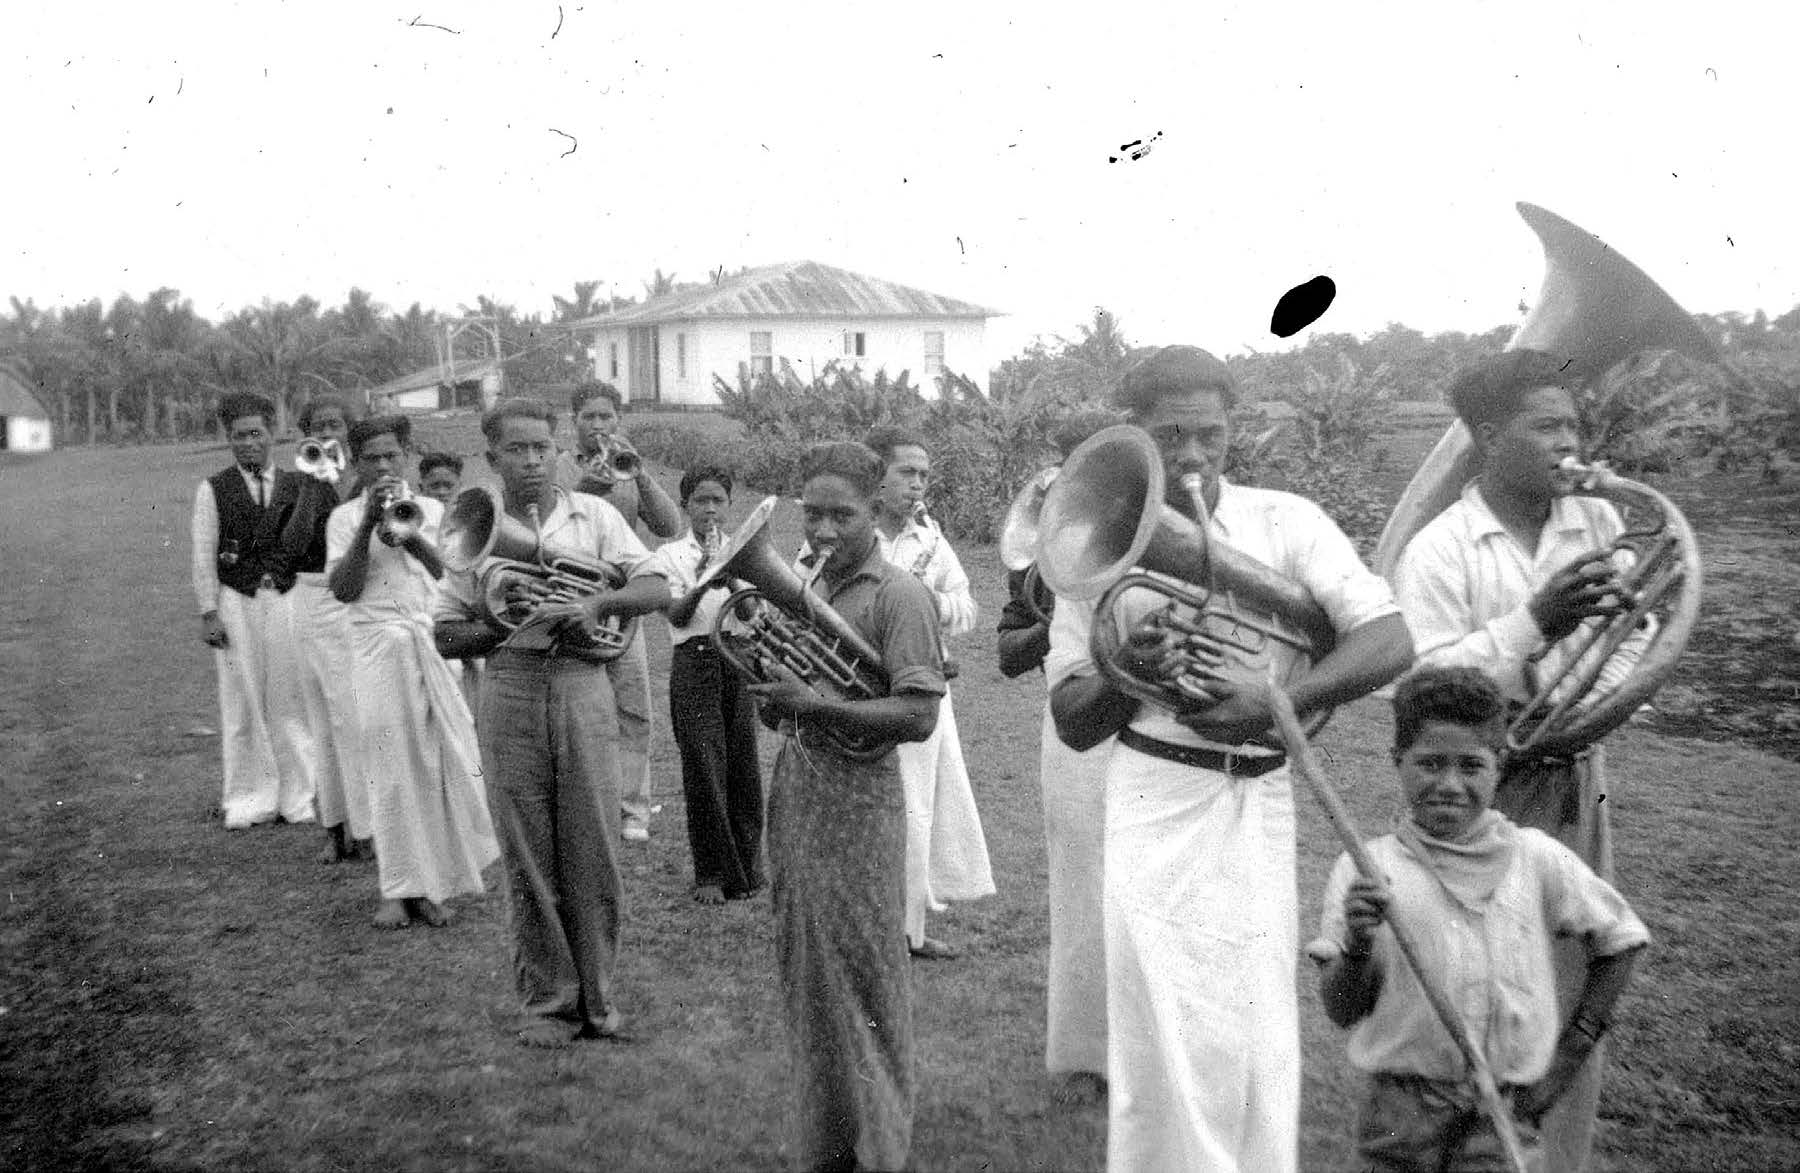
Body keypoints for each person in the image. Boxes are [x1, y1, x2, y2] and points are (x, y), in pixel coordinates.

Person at [1046, 346, 1413, 1173]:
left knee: (1254, 1035)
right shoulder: (1095, 539)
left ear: (1230, 428)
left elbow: (1391, 637)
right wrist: (1124, 662)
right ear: (1135, 436)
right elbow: (1072, 720)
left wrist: (1278, 700)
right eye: (1171, 437)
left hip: (1262, 794)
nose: (1194, 456)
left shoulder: (1288, 520)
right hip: (1153, 794)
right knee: (1161, 1031)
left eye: (1210, 434)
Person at [1391, 349, 1652, 1173]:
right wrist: (1533, 622)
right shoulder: (1438, 549)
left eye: (1574, 425)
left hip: (1577, 780)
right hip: (1473, 799)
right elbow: (1424, 687)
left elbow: (1634, 641)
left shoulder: (1600, 525)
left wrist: (1580, 713)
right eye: (1549, 426)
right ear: (1491, 435)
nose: (1569, 443)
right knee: (1473, 991)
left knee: (1569, 974)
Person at [1311, 666, 1648, 1173]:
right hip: (1401, 1108)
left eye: (1471, 766)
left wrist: (1571, 1052)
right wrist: (1358, 943)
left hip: (1508, 1107)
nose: (1449, 784)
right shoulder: (1368, 868)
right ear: (1398, 762)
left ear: (1500, 766)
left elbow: (1621, 940)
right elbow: (1342, 1010)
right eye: (1429, 765)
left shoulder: (1537, 859)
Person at [435, 397, 669, 1047]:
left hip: (582, 682)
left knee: (595, 847)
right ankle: (547, 1003)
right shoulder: (470, 527)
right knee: (528, 852)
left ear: (558, 449)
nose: (533, 460)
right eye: (518, 449)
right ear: (493, 457)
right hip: (509, 683)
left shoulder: (592, 514)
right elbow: (446, 634)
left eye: (543, 447)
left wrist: (598, 599)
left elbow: (658, 588)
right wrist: (508, 617)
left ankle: (599, 1001)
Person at [743, 442, 945, 1172]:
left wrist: (817, 701)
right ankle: (827, 1141)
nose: (824, 528)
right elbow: (787, 714)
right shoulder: (803, 583)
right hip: (800, 788)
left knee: (863, 975)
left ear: (876, 510)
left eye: (843, 513)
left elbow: (919, 715)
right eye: (814, 511)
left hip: (860, 801)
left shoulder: (900, 594)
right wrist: (778, 694)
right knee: (807, 969)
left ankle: (879, 1144)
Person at [328, 416, 498, 930]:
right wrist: (367, 529)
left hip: (428, 641)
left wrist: (410, 534)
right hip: (376, 644)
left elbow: (454, 573)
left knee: (438, 763)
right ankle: (396, 889)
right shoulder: (341, 519)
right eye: (372, 458)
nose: (382, 466)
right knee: (388, 765)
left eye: (391, 456)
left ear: (405, 457)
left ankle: (433, 887)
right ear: (358, 463)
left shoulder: (433, 511)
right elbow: (344, 590)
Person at [995, 414, 1116, 1107]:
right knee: (1082, 888)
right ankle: (1084, 1055)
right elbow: (1009, 656)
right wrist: (1065, 614)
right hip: (1074, 724)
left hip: (1152, 721)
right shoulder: (1046, 556)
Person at [865, 425, 995, 961]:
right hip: (859, 687)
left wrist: (926, 603)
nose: (917, 485)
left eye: (923, 475)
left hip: (917, 688)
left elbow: (966, 608)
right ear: (877, 478)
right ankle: (866, 925)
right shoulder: (849, 529)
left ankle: (909, 931)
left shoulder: (932, 541)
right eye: (906, 473)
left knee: (916, 807)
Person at [553, 381, 681, 842]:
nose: (599, 426)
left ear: (618, 421)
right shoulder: (560, 467)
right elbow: (548, 522)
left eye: (607, 417)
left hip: (624, 599)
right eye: (590, 417)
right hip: (569, 595)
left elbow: (669, 526)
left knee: (632, 705)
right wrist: (589, 484)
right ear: (574, 422)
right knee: (579, 707)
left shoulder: (630, 467)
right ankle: (589, 804)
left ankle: (633, 809)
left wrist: (640, 474)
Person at [190, 391, 317, 829]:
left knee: (290, 699)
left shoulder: (295, 484)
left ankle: (298, 795)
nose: (248, 443)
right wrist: (209, 612)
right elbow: (203, 553)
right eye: (239, 436)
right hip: (237, 600)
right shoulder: (214, 488)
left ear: (272, 436)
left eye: (256, 434)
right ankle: (248, 796)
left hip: (284, 597)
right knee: (242, 699)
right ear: (229, 439)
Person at [650, 466, 765, 905]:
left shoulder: (746, 552)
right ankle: (712, 874)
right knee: (703, 766)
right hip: (694, 660)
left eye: (719, 500)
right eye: (701, 500)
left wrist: (730, 571)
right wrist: (703, 580)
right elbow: (677, 615)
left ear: (729, 504)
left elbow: (752, 613)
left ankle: (749, 872)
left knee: (742, 764)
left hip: (737, 658)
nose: (711, 509)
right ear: (686, 506)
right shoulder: (669, 555)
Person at [285, 394, 370, 863]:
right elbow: (291, 545)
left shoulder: (368, 480)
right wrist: (310, 490)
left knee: (356, 717)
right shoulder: (300, 479)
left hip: (354, 602)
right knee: (321, 716)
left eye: (336, 424)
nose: (327, 434)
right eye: (318, 427)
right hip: (311, 599)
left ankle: (367, 824)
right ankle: (334, 825)